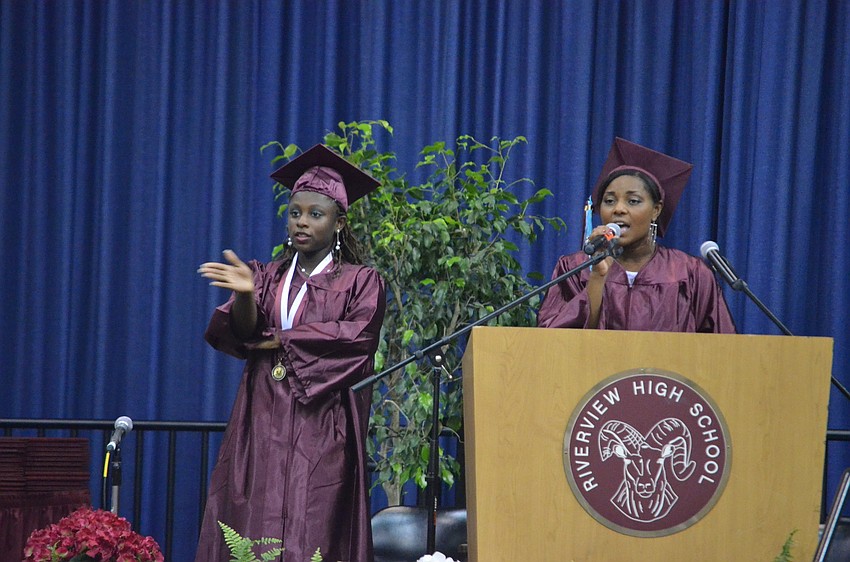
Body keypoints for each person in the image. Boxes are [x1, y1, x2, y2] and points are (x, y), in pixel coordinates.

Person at [195, 144, 386, 562]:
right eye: (295, 212)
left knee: (312, 520)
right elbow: (244, 333)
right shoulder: (266, 275)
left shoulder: (361, 281)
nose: (302, 221)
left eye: (315, 214)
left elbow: (357, 338)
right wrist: (245, 295)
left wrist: (285, 338)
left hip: (322, 417)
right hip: (261, 412)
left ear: (338, 222)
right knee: (254, 516)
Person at [537, 137, 736, 333]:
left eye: (633, 201)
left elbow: (723, 351)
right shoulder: (573, 269)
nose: (618, 209)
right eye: (609, 201)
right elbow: (555, 345)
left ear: (656, 210)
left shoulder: (690, 274)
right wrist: (597, 277)